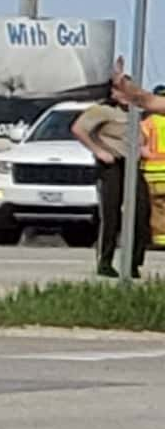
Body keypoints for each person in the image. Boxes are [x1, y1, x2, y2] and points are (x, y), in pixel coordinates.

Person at [72, 69, 161, 280]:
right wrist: (99, 151)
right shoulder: (102, 110)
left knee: (141, 211)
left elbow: (138, 134)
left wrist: (142, 148)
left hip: (132, 164)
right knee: (111, 214)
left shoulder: (134, 112)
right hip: (112, 164)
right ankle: (105, 261)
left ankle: (133, 262)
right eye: (122, 89)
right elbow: (78, 129)